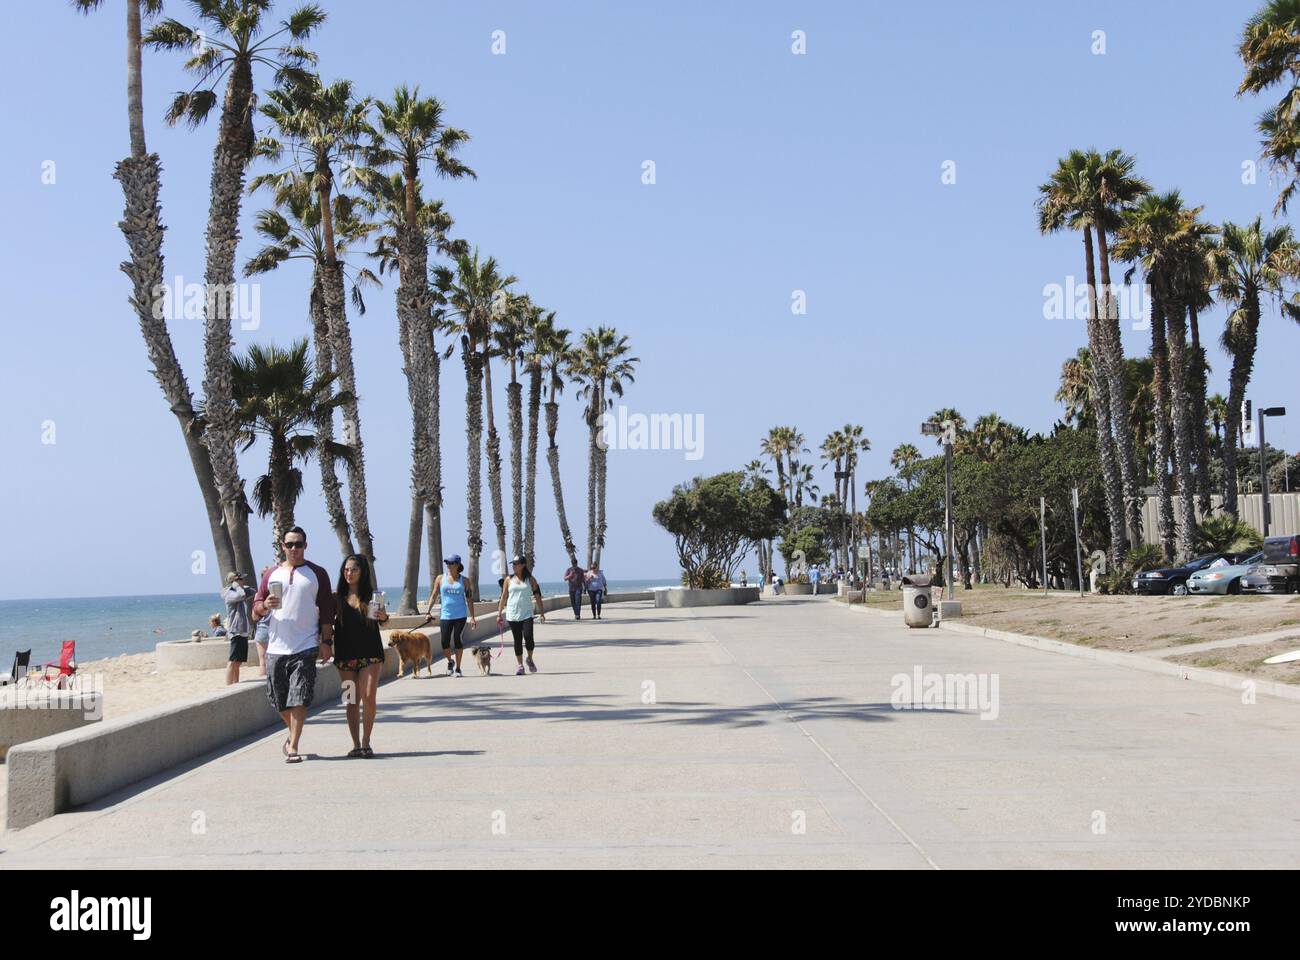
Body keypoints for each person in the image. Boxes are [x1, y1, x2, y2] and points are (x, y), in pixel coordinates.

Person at [252, 527, 336, 764]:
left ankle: (294, 746)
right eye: (289, 545)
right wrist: (264, 605)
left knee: (299, 697)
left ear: (305, 546)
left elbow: (328, 612)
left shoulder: (317, 573)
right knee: (278, 699)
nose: (294, 549)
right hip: (276, 647)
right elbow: (255, 608)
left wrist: (326, 641)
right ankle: (293, 733)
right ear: (282, 546)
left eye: (298, 544)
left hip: (306, 645)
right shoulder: (271, 574)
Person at [333, 554, 387, 757]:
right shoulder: (336, 597)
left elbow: (381, 621)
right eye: (346, 569)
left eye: (354, 569)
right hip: (345, 656)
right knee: (351, 700)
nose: (349, 573)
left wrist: (384, 617)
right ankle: (355, 744)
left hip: (370, 654)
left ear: (362, 571)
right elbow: (326, 624)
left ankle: (366, 741)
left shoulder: (373, 596)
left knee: (369, 695)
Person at [426, 553, 476, 677]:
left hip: (460, 615)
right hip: (445, 615)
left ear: (458, 565)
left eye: (451, 563)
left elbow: (469, 599)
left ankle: (458, 668)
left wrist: (473, 617)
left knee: (457, 639)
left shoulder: (465, 581)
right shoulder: (440, 578)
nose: (448, 565)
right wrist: (428, 611)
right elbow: (433, 596)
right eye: (447, 563)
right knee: (444, 642)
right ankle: (450, 661)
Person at [497, 556, 546, 675]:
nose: (514, 566)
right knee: (517, 640)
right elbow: (504, 597)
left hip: (527, 614)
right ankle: (520, 665)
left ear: (523, 565)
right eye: (513, 564)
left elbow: (538, 596)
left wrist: (542, 613)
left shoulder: (530, 580)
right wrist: (499, 613)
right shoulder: (508, 580)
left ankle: (529, 658)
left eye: (516, 564)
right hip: (512, 614)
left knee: (529, 638)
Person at [221, 572, 255, 686]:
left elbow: (253, 591)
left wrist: (241, 586)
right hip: (235, 630)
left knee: (238, 662)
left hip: (242, 630)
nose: (243, 581)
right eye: (241, 579)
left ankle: (235, 684)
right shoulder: (230, 593)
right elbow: (240, 596)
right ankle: (228, 685)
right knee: (232, 660)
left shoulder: (239, 590)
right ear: (235, 581)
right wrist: (236, 585)